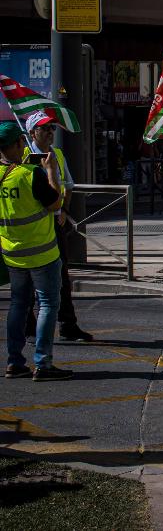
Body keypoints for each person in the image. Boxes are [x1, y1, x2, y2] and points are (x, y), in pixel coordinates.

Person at [2, 121, 71, 381]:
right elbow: (56, 203)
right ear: (19, 143)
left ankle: (14, 362)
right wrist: (51, 170)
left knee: (18, 304)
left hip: (12, 252)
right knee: (47, 304)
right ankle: (43, 363)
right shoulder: (30, 174)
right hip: (41, 252)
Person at [23, 112, 92, 343]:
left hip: (54, 223)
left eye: (52, 128)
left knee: (61, 275)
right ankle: (28, 325)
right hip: (32, 226)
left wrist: (64, 211)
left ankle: (67, 324)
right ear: (33, 132)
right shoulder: (24, 155)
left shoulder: (58, 154)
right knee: (31, 277)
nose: (50, 132)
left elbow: (68, 185)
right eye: (45, 128)